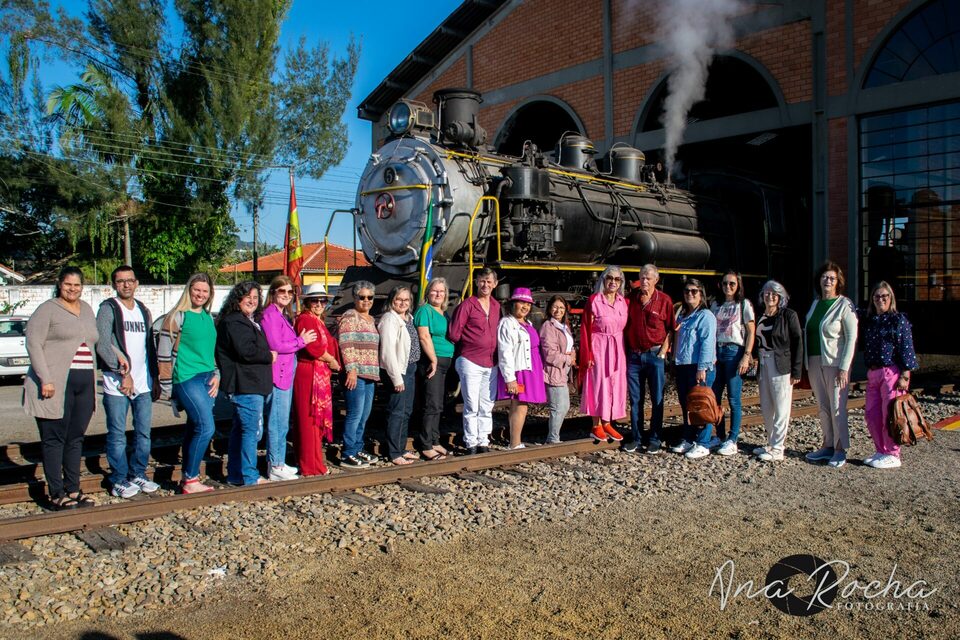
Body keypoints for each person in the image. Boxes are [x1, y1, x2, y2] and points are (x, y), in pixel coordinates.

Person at [23, 266, 100, 510]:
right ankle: (56, 492)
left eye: (77, 285)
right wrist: (45, 378)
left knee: (75, 438)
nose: (72, 289)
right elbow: (33, 343)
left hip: (84, 384)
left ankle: (73, 488)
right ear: (59, 284)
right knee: (54, 439)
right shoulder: (47, 309)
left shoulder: (86, 310)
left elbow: (93, 342)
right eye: (68, 284)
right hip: (56, 384)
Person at [96, 265, 160, 499]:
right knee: (117, 434)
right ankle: (118, 479)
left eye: (130, 280)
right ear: (114, 284)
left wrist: (154, 377)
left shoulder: (143, 310)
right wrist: (122, 373)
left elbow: (148, 346)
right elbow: (102, 344)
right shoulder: (108, 308)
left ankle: (138, 473)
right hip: (117, 384)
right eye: (121, 281)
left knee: (144, 433)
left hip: (143, 382)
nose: (126, 284)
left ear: (136, 283)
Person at [158, 273, 220, 494]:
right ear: (189, 290)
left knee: (194, 427)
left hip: (207, 378)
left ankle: (188, 476)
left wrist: (217, 373)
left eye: (205, 291)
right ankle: (191, 479)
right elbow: (164, 353)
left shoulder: (208, 317)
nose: (200, 294)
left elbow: (211, 351)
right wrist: (167, 388)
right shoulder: (177, 317)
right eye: (197, 290)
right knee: (206, 427)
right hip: (186, 378)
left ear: (210, 294)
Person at [217, 281, 273, 486]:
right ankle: (250, 476)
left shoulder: (247, 321)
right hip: (245, 385)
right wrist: (269, 355)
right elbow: (246, 351)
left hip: (250, 383)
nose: (252, 301)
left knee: (241, 430)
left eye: (256, 297)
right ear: (237, 298)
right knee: (250, 431)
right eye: (248, 296)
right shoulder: (235, 321)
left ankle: (236, 474)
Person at [261, 276, 317, 481]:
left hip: (285, 374)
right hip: (279, 375)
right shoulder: (270, 315)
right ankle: (275, 465)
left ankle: (279, 461)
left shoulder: (281, 315)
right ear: (273, 292)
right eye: (282, 291)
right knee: (278, 421)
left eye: (289, 292)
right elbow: (275, 344)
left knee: (282, 421)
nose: (286, 295)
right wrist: (301, 341)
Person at [804, 261, 858, 468]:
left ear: (838, 282)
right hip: (814, 361)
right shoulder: (815, 304)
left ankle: (839, 449)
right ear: (819, 280)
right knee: (823, 406)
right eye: (825, 277)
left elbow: (851, 338)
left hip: (835, 363)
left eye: (832, 278)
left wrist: (844, 367)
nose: (828, 281)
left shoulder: (845, 305)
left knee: (837, 407)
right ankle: (827, 444)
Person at [862, 281, 918, 469]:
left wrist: (905, 374)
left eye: (884, 296)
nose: (881, 299)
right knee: (872, 414)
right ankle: (881, 450)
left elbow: (907, 347)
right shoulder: (871, 320)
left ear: (891, 298)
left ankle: (893, 453)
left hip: (891, 372)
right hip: (873, 372)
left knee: (891, 414)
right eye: (877, 296)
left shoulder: (898, 320)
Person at [449, 267, 501, 455]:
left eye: (489, 281)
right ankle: (471, 442)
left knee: (487, 404)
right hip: (470, 360)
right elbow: (454, 333)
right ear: (476, 282)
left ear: (495, 284)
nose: (485, 284)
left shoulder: (496, 306)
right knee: (471, 404)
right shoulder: (467, 305)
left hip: (491, 362)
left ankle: (483, 441)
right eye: (482, 281)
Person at [624, 264, 674, 454]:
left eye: (648, 278)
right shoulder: (632, 299)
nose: (644, 281)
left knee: (657, 398)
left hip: (654, 355)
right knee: (635, 400)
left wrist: (664, 351)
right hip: (635, 356)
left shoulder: (665, 300)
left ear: (656, 280)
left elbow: (671, 328)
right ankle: (636, 438)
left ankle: (655, 439)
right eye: (642, 277)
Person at [751, 280, 802, 462]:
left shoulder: (788, 315)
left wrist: (796, 371)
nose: (770, 296)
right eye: (767, 293)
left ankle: (778, 448)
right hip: (763, 363)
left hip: (781, 364)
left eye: (774, 293)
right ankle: (771, 443)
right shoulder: (760, 315)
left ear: (780, 297)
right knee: (766, 406)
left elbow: (797, 342)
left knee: (781, 407)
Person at [293, 284, 340, 476]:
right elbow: (313, 348)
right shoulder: (305, 319)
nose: (320, 304)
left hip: (317, 372)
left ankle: (313, 462)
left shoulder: (317, 320)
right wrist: (331, 360)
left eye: (323, 300)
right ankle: (310, 466)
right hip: (309, 372)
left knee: (314, 420)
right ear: (307, 302)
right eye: (315, 300)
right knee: (309, 419)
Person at [670, 278, 717, 460]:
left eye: (694, 291)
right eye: (687, 291)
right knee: (687, 404)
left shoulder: (706, 316)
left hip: (698, 366)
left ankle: (703, 442)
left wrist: (702, 368)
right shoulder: (683, 315)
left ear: (701, 294)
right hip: (683, 365)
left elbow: (707, 343)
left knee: (702, 404)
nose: (690, 294)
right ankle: (689, 438)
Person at [579, 266, 627, 442]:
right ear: (603, 280)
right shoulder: (594, 300)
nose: (613, 282)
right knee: (599, 384)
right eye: (610, 278)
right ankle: (596, 424)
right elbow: (585, 328)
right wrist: (588, 354)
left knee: (614, 384)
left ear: (621, 282)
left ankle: (607, 422)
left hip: (618, 348)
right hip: (599, 347)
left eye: (617, 279)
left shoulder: (623, 302)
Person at [709, 270, 756, 456]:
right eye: (725, 283)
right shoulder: (715, 305)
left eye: (732, 284)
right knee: (715, 397)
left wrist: (747, 355)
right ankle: (719, 436)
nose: (728, 287)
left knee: (734, 398)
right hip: (717, 351)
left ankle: (733, 438)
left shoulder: (743, 304)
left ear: (738, 286)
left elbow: (751, 331)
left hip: (734, 352)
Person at [497, 287, 547, 448]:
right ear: (513, 304)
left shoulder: (527, 323)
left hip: (529, 368)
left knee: (523, 405)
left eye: (528, 304)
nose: (525, 307)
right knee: (519, 405)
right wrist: (510, 378)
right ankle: (515, 443)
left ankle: (516, 441)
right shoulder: (507, 323)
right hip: (519, 370)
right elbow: (505, 352)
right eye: (521, 303)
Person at [338, 281, 380, 469]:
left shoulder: (371, 320)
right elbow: (346, 343)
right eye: (362, 297)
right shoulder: (350, 316)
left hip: (371, 374)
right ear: (355, 298)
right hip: (356, 374)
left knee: (364, 415)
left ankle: (357, 447)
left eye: (370, 297)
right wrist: (351, 370)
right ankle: (348, 453)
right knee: (354, 414)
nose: (366, 300)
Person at [379, 285, 420, 465]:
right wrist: (396, 378)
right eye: (399, 299)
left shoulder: (408, 318)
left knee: (406, 411)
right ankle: (394, 452)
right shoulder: (390, 319)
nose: (403, 303)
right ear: (392, 300)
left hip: (409, 368)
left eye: (406, 299)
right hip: (398, 371)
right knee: (397, 411)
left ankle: (401, 448)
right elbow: (387, 351)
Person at [414, 277, 454, 459]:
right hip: (431, 362)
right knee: (431, 403)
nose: (438, 294)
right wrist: (433, 360)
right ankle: (426, 445)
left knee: (439, 403)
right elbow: (424, 336)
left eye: (441, 291)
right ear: (428, 293)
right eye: (434, 290)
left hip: (444, 362)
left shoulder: (443, 313)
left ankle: (435, 440)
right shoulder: (425, 310)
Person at [540, 295, 576, 444]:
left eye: (561, 308)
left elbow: (570, 345)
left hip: (563, 370)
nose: (558, 310)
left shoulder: (563, 326)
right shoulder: (548, 327)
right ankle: (553, 439)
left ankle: (553, 437)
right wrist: (568, 359)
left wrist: (572, 354)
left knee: (565, 406)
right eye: (555, 307)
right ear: (549, 308)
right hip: (553, 371)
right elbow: (550, 354)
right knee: (558, 407)